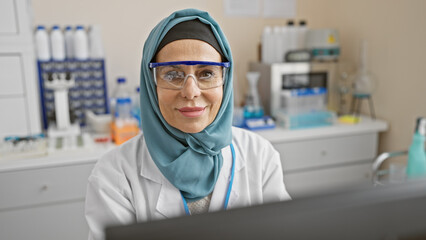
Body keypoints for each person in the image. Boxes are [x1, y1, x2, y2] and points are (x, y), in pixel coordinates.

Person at [85, 8, 291, 240]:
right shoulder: (114, 175)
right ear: (151, 83)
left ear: (225, 79)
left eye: (206, 73)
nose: (190, 92)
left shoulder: (260, 156)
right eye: (172, 74)